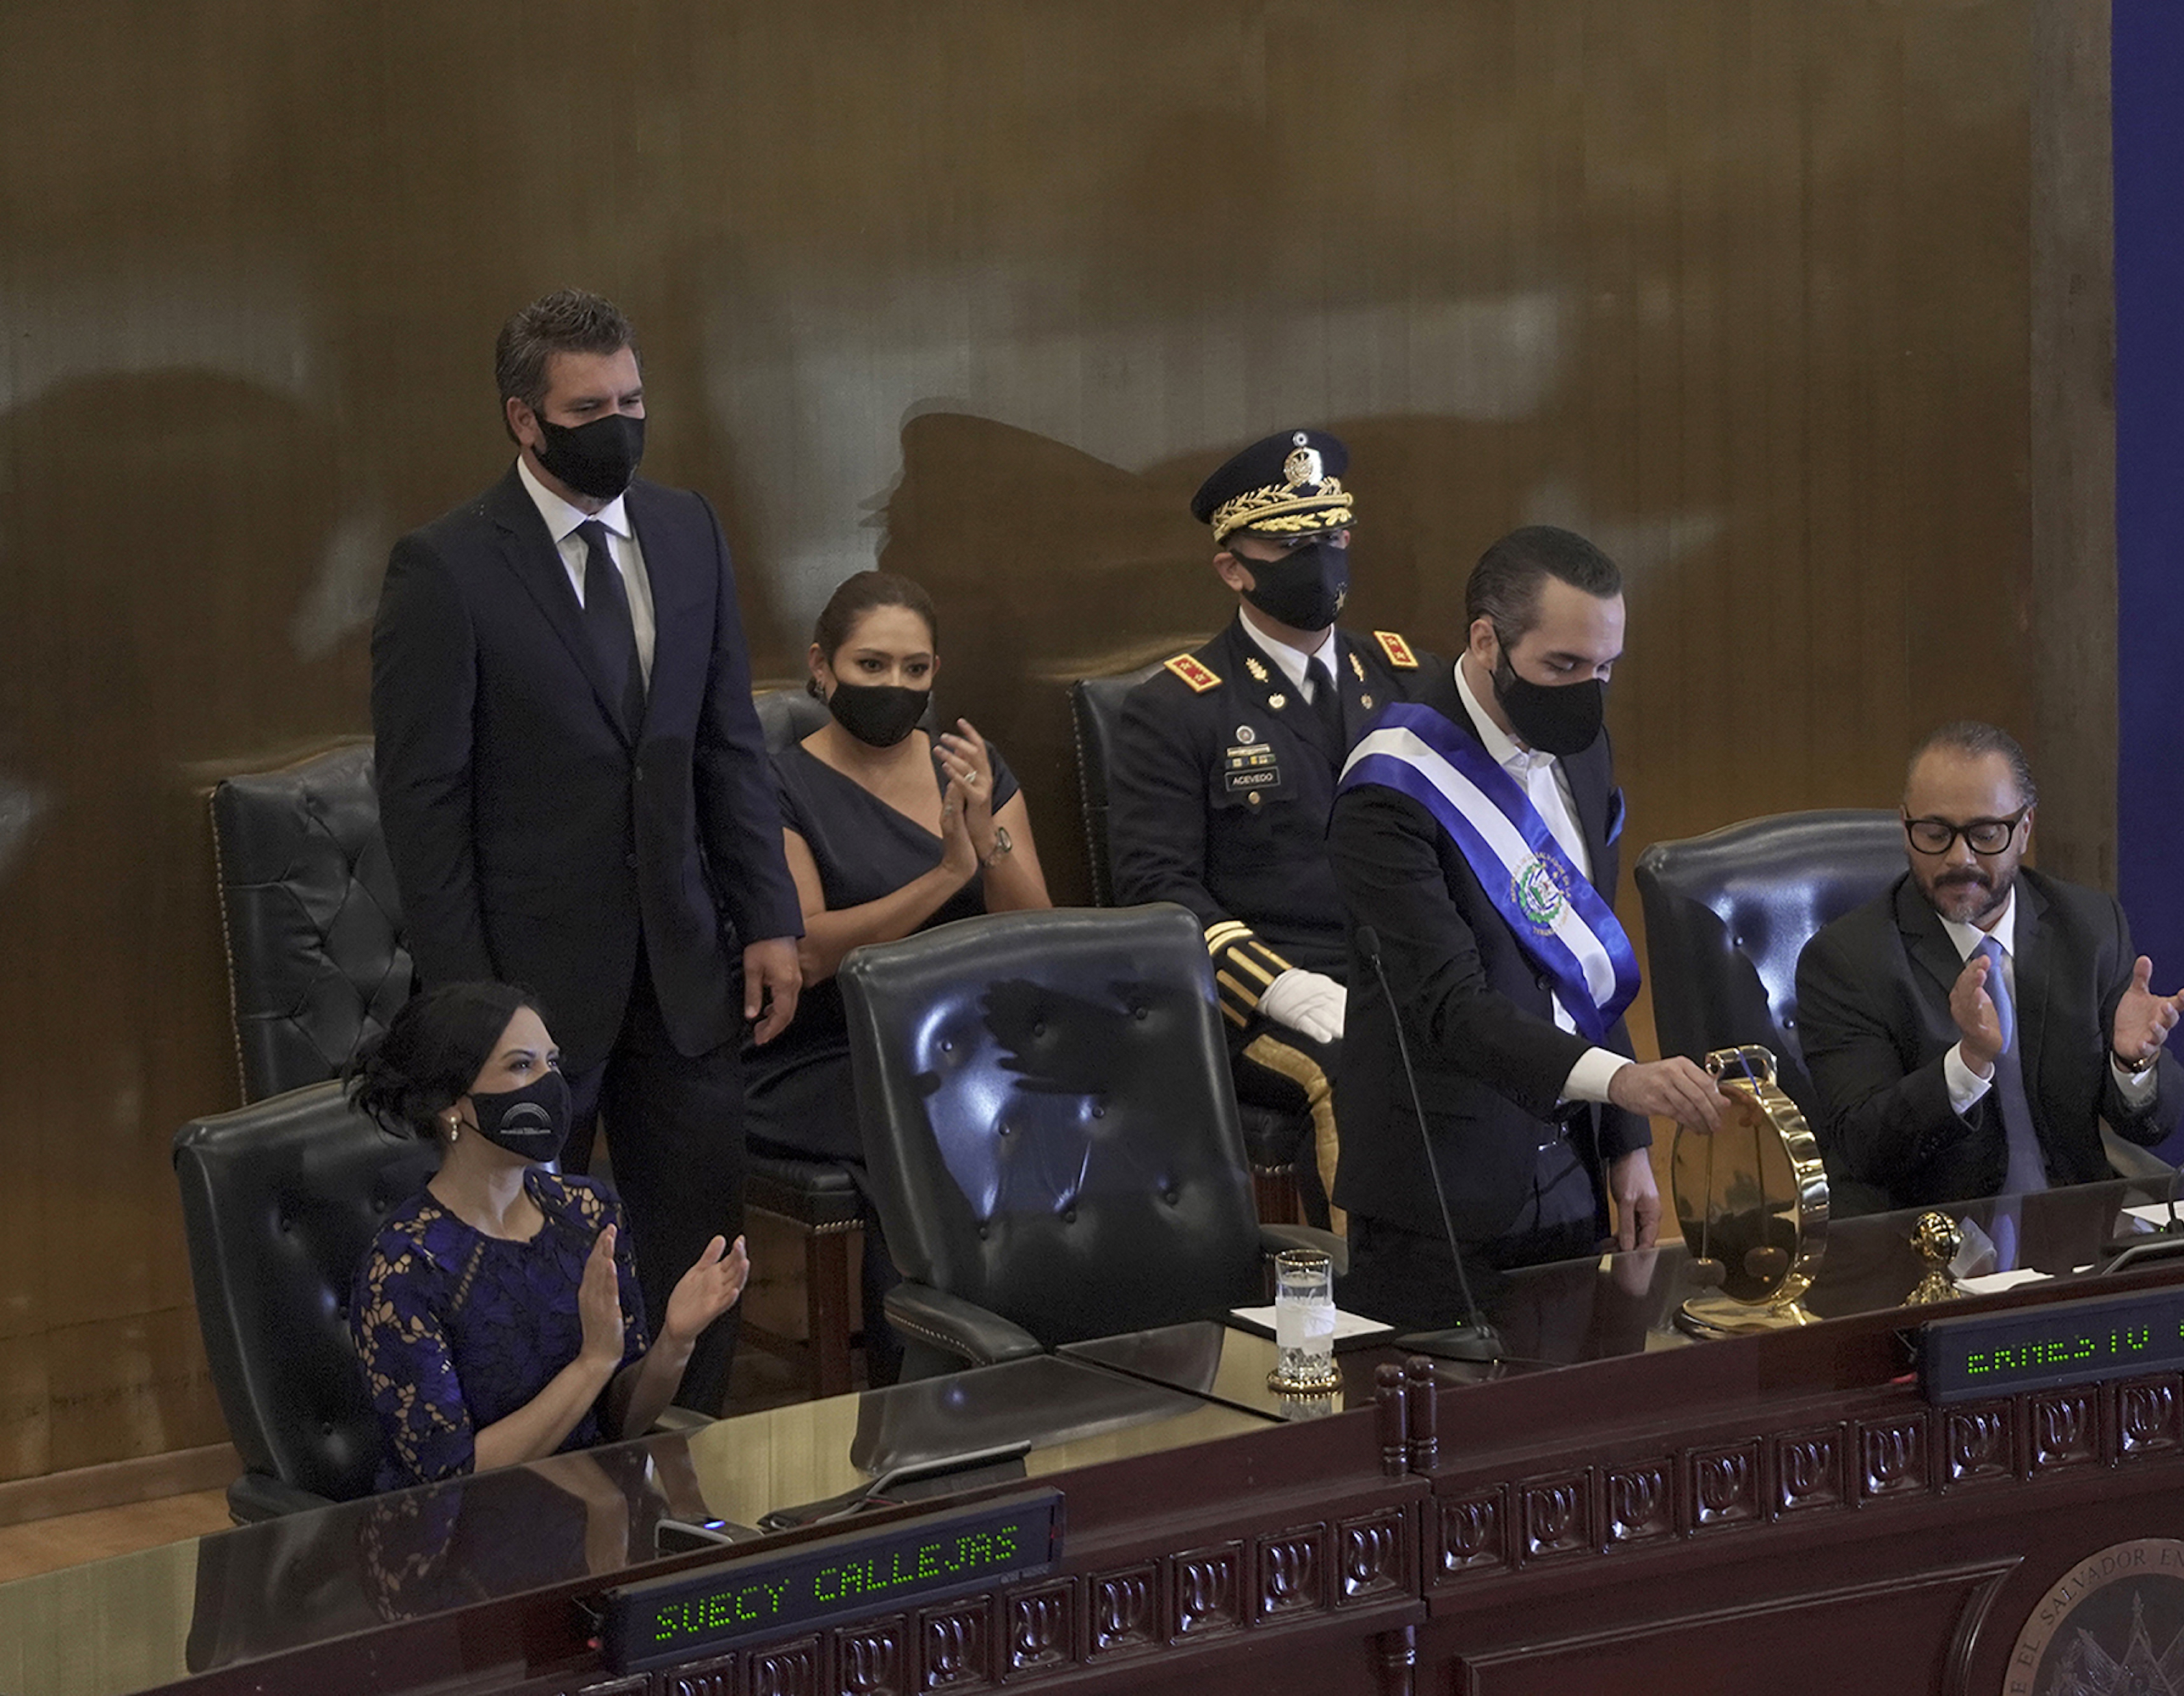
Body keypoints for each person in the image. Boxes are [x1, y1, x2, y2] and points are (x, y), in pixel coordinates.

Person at [370, 290, 802, 1411]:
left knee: (699, 1248)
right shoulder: (447, 567)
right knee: (526, 1262)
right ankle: (547, 1493)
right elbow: (426, 805)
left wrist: (768, 919)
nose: (619, 421)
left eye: (633, 399)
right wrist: (474, 1012)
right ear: (526, 420)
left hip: (687, 966)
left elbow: (726, 744)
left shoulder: (688, 529)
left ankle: (695, 1453)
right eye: (590, 406)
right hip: (532, 993)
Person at [1328, 525, 1726, 1305]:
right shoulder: (1388, 787)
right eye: (1563, 665)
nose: (1586, 690)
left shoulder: (1583, 747)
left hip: (1574, 1166)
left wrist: (1625, 1146)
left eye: (1605, 668)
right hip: (1443, 1191)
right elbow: (1450, 1006)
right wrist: (1627, 1084)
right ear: (1486, 642)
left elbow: (1586, 961)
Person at [1108, 428, 1435, 1227]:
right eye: (1292, 545)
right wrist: (1276, 985)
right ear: (1233, 567)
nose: (1322, 560)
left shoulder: (1408, 677)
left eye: (1331, 536)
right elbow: (1158, 889)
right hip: (1264, 999)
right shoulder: (1178, 707)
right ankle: (1367, 1316)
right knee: (1356, 1073)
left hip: (1410, 967)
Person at [742, 570, 1051, 1381]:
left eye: (915, 670)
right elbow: (807, 951)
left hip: (964, 1042)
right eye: (871, 666)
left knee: (1064, 1105)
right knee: (938, 1122)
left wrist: (990, 837)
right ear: (822, 666)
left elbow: (1037, 936)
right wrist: (949, 874)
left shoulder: (972, 767)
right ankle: (927, 1383)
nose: (894, 686)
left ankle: (1055, 1361)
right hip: (827, 1054)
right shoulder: (776, 783)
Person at [348, 982, 749, 1492]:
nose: (549, 1085)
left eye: (552, 1064)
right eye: (521, 1066)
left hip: (595, 1507)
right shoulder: (405, 1267)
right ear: (451, 1105)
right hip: (462, 1541)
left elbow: (618, 1423)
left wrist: (675, 1341)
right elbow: (448, 1476)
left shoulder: (587, 1212)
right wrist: (592, 1364)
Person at [1794, 721, 2184, 1223]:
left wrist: (2133, 1066)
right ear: (1904, 827)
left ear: (2024, 829)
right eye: (1935, 834)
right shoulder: (1847, 961)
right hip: (1927, 1245)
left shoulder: (2089, 929)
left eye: (1985, 835)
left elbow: (2151, 1127)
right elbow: (1862, 1148)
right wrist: (1969, 1063)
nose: (1960, 859)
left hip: (2073, 1235)